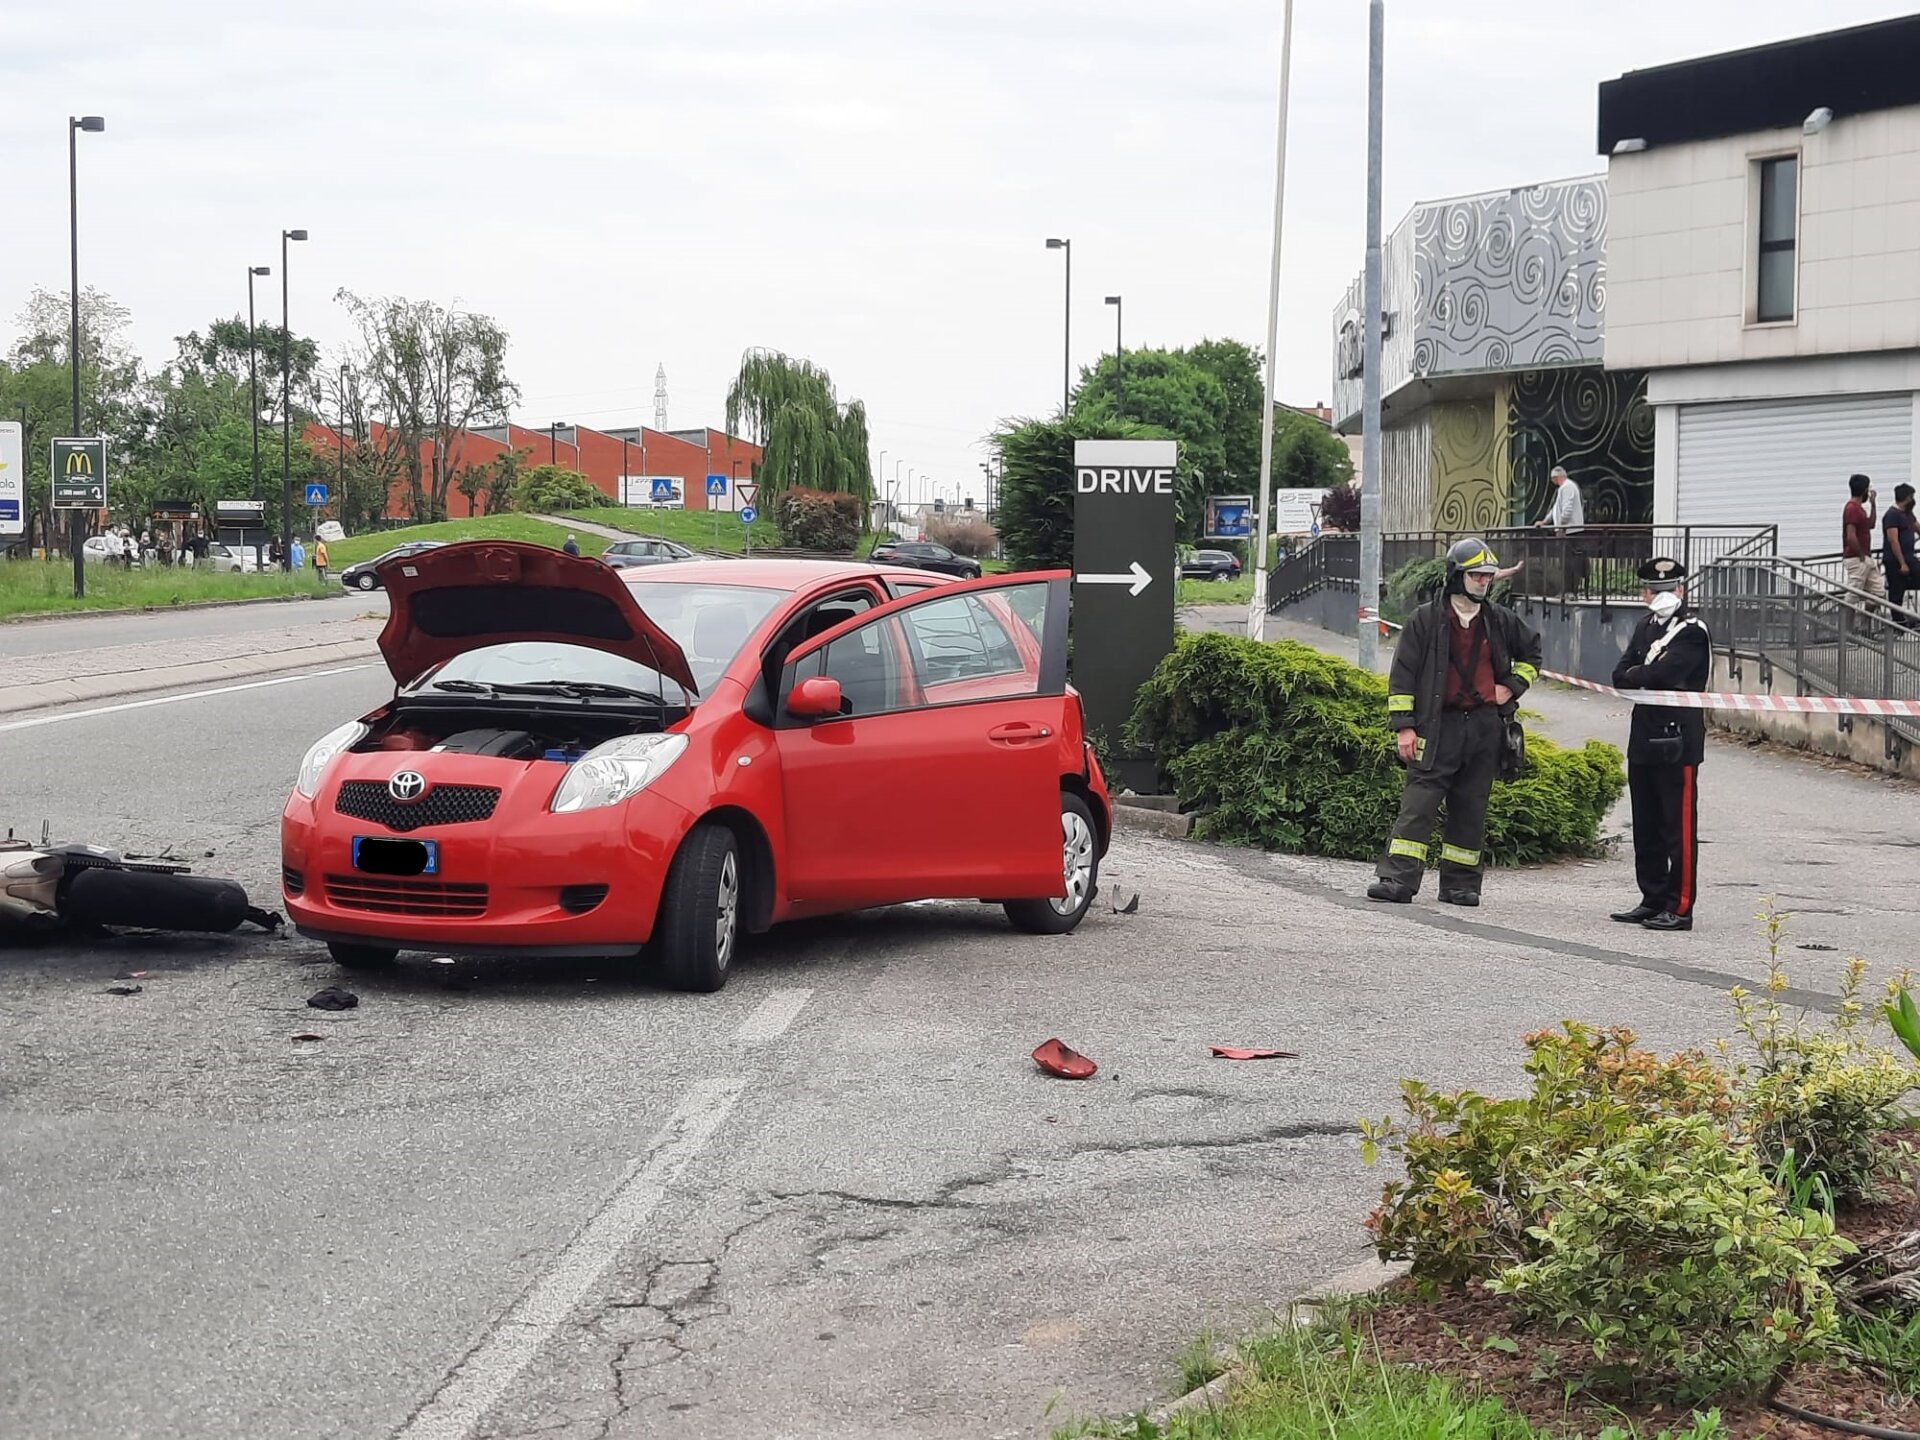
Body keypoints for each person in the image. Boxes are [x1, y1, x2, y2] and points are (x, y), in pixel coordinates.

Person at [1368, 538, 1542, 908]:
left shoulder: (1499, 620)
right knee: (1419, 804)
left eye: (1488, 576)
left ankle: (1460, 885)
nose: (1483, 582)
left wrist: (1512, 687)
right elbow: (1403, 677)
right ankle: (1397, 879)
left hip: (1483, 728)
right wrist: (1405, 727)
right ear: (1456, 576)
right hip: (1437, 726)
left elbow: (1533, 653)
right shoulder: (1426, 620)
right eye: (1476, 575)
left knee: (1471, 807)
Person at [1609, 557, 1713, 934]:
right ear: (1644, 593)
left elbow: (1666, 674)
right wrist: (1641, 675)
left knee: (1677, 826)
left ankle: (1679, 906)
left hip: (1678, 738)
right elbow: (1620, 674)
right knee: (1647, 824)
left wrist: (1642, 674)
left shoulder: (1691, 632)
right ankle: (1651, 898)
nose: (1662, 596)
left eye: (1669, 590)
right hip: (1644, 736)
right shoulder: (1644, 626)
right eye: (1655, 590)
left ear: (1681, 591)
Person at [1843, 474, 1886, 612]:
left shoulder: (1859, 509)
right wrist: (1861, 555)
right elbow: (1851, 536)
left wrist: (1873, 504)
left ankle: (1864, 626)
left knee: (1878, 591)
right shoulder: (1852, 508)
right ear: (1864, 490)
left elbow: (1871, 524)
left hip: (1865, 557)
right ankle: (1845, 628)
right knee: (1853, 594)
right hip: (1857, 558)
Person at [1885, 483, 1918, 625]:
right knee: (1896, 591)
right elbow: (1893, 541)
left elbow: (1917, 527)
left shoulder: (1908, 514)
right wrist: (1902, 563)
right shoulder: (1892, 515)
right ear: (1907, 498)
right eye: (1912, 497)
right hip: (1896, 560)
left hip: (1910, 557)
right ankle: (1898, 622)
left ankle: (1906, 619)